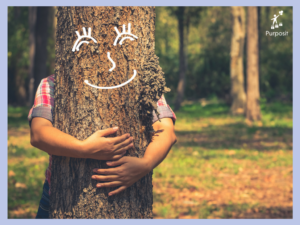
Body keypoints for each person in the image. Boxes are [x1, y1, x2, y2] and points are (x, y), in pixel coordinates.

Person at [28, 74, 177, 218]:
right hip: (59, 198)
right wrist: (83, 149)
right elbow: (38, 133)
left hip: (131, 198)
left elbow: (166, 131)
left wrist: (146, 163)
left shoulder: (144, 81)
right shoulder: (53, 82)